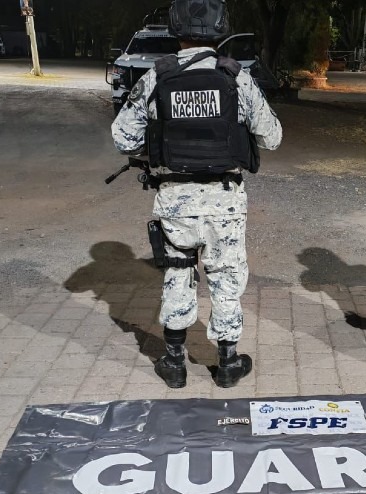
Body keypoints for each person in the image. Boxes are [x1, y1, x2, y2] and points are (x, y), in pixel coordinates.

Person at [111, 0, 282, 389]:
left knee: (177, 275)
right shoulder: (236, 78)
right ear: (221, 29)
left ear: (176, 29)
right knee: (226, 277)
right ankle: (227, 363)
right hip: (224, 199)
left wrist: (157, 148)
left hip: (175, 200)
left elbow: (123, 136)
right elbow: (272, 137)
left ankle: (173, 364)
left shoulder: (158, 78)